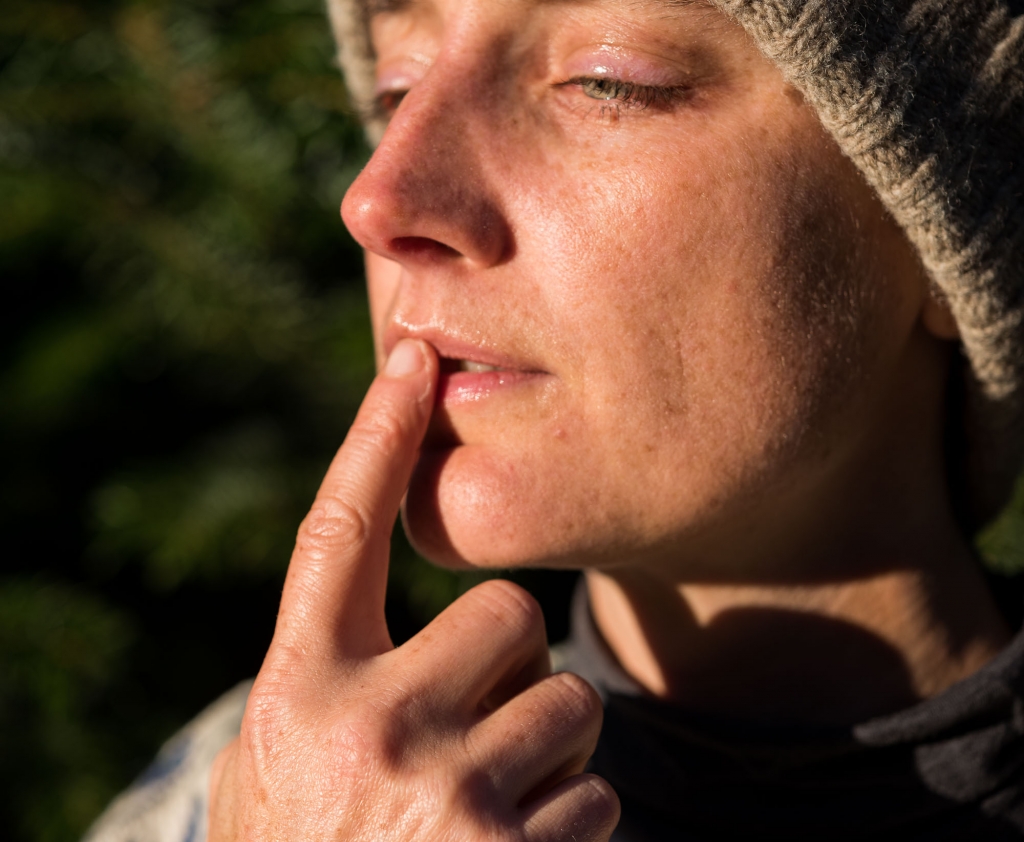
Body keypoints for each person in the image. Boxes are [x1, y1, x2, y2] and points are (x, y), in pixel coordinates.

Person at [85, 0, 1024, 839]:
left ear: (948, 237)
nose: (380, 198)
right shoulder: (255, 789)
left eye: (607, 79)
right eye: (396, 82)